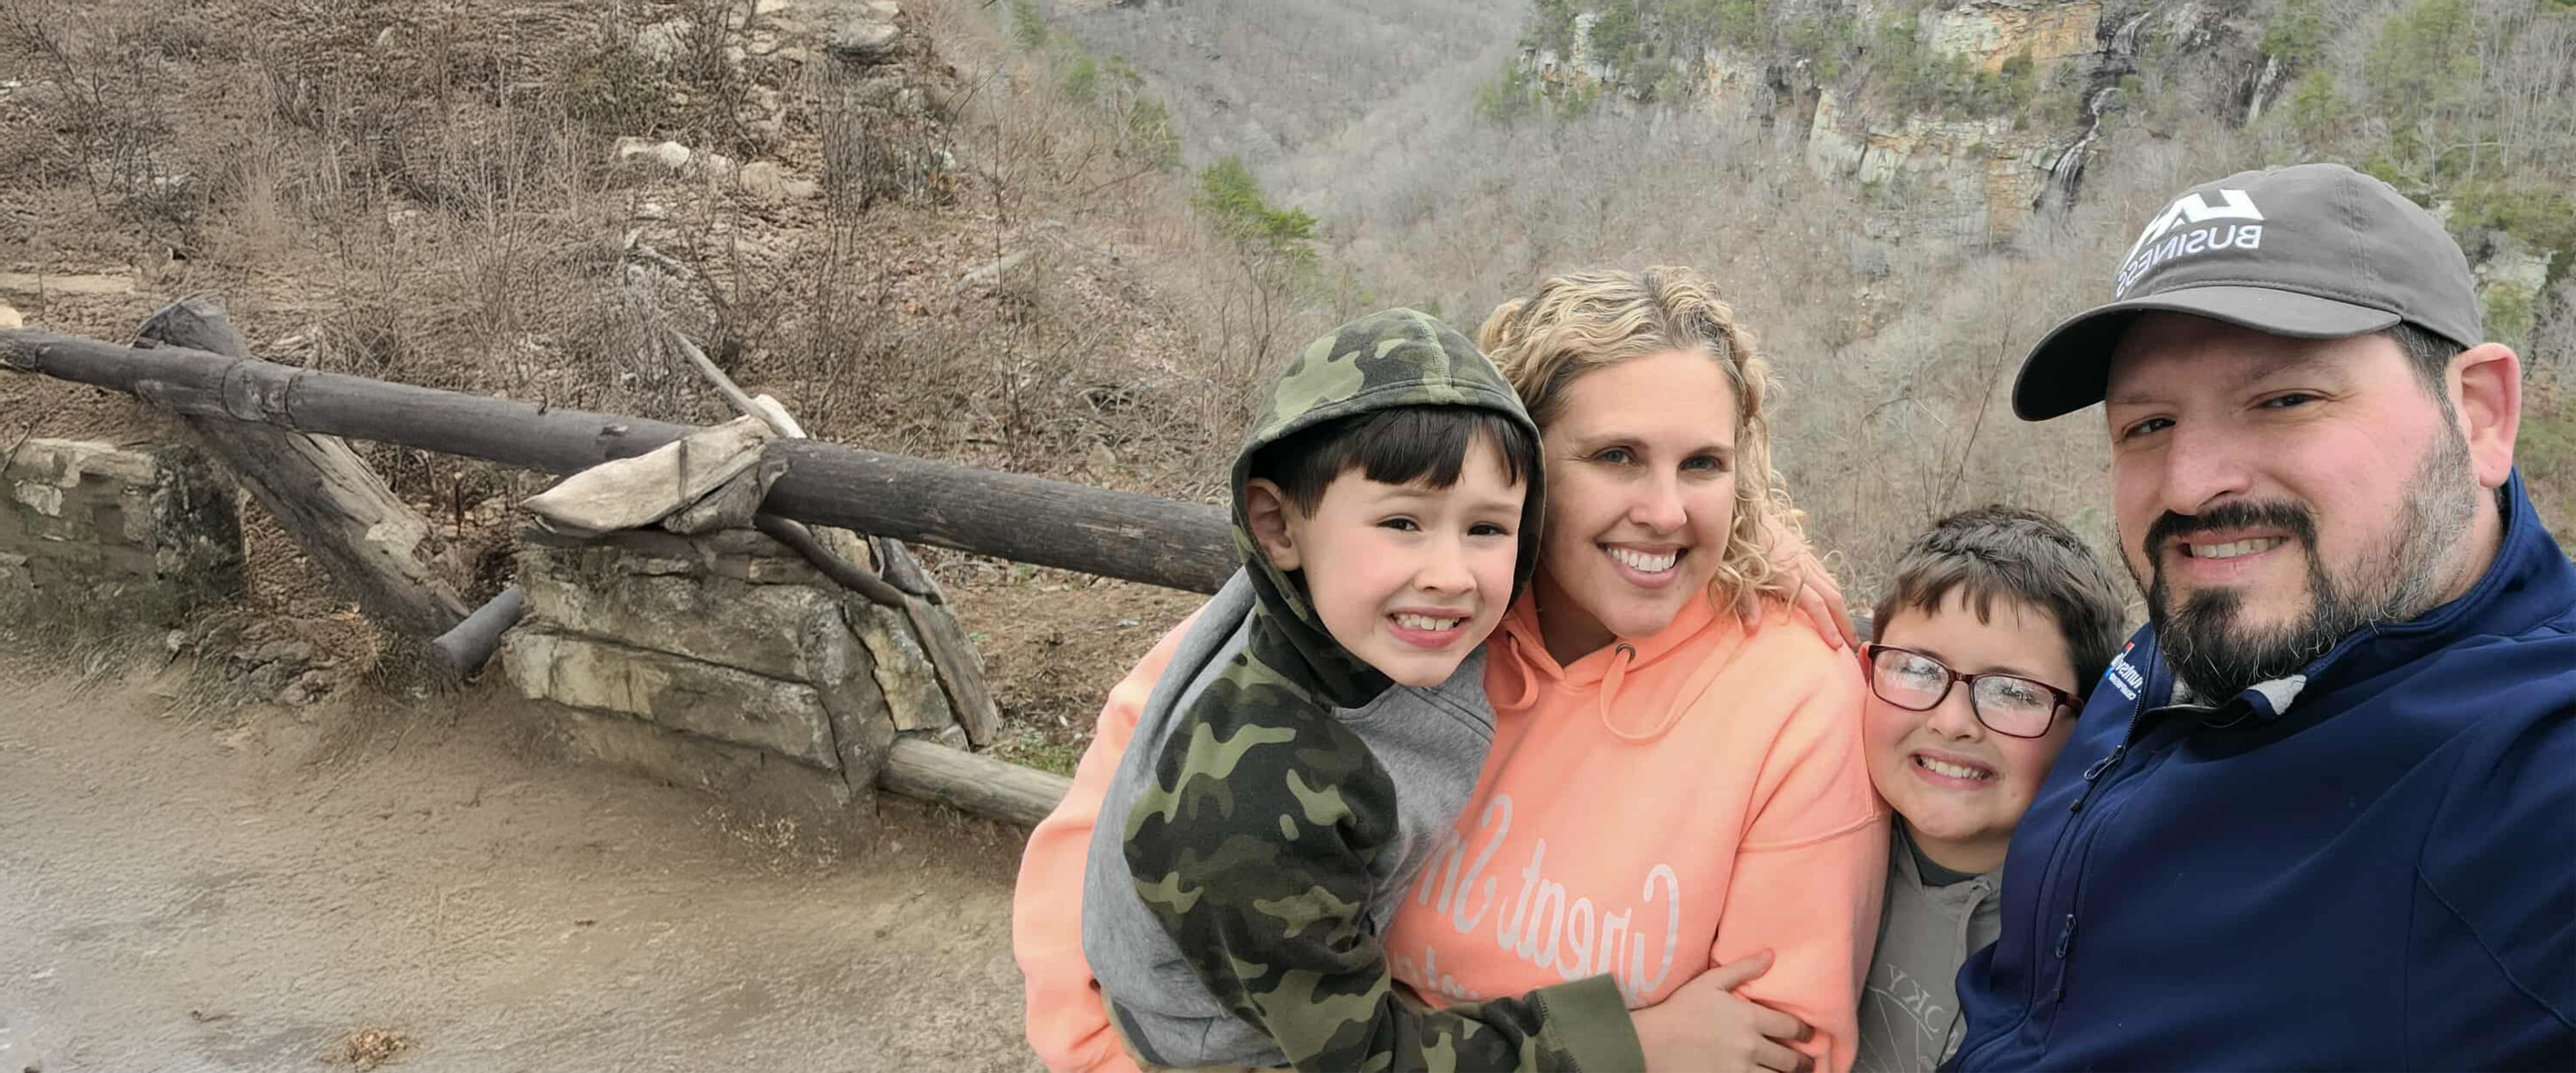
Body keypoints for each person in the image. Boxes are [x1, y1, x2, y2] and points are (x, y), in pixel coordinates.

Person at [1016, 266, 1885, 1073]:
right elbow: (1091, 839)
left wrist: (1755, 541)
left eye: (1703, 464)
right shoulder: (1380, 617)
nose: (1664, 509)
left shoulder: (1792, 698)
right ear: (1522, 462)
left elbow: (1776, 1038)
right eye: (1616, 455)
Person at [1946, 162, 2576, 1069]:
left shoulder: (2523, 778)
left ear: (2479, 415)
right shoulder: (2213, 628)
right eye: (2148, 424)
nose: (2193, 484)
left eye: (2285, 399)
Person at [1081, 306, 1641, 1070]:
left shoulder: (1322, 603)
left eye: (1486, 529)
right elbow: (1367, 1058)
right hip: (1227, 1042)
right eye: (1403, 522)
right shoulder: (1258, 800)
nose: (1451, 574)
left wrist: (1752, 556)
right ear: (1278, 529)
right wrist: (1628, 1040)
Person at [1849, 506, 2125, 1072]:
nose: (1952, 722)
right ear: (1864, 671)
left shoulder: (2100, 932)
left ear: (2086, 721)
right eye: (1917, 669)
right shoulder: (1797, 840)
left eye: (2013, 692)